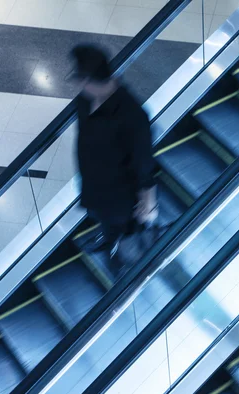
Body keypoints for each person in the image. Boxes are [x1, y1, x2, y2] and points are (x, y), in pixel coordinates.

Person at [70, 44, 158, 267]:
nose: (78, 85)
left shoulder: (132, 116)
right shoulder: (85, 100)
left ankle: (128, 261)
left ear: (89, 80)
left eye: (80, 79)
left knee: (121, 228)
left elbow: (143, 163)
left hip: (119, 197)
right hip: (94, 188)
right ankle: (109, 241)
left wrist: (148, 202)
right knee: (106, 223)